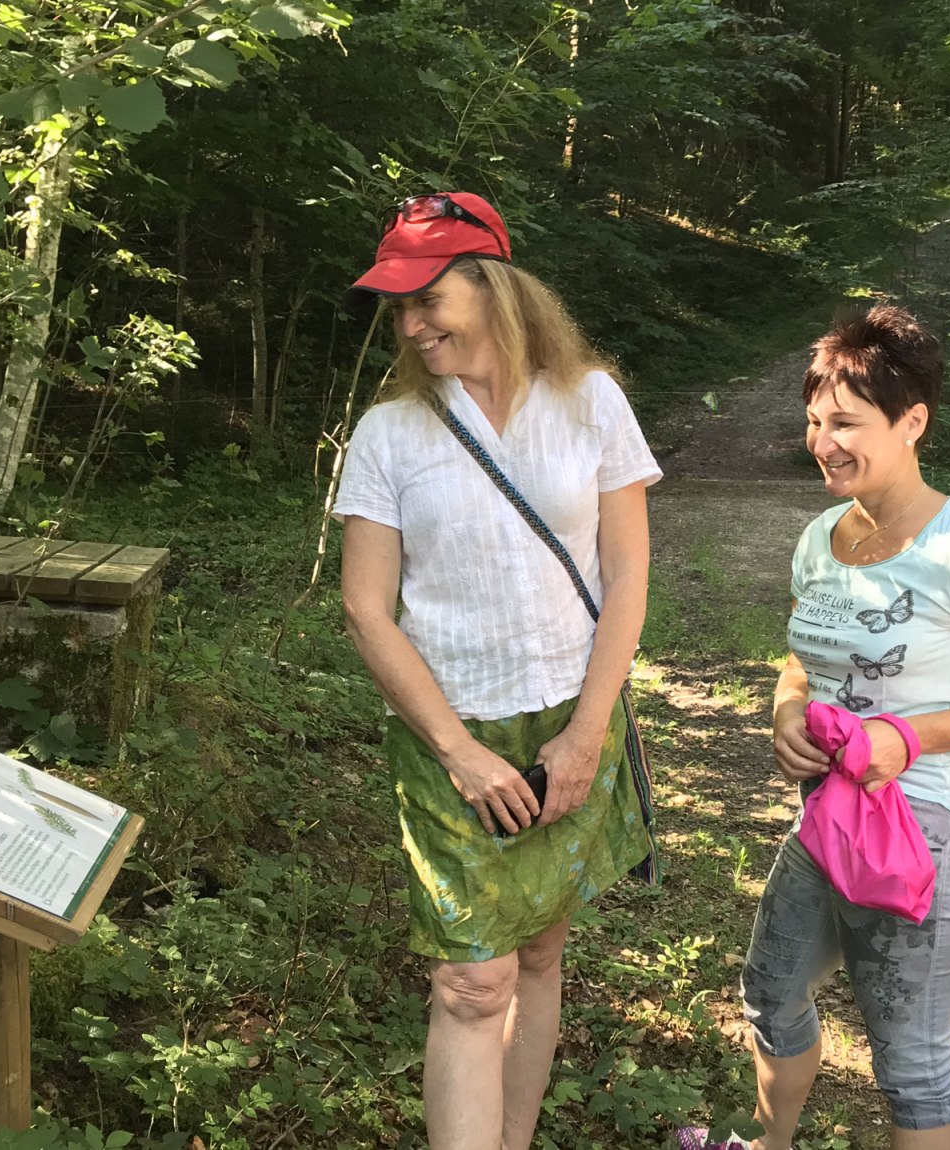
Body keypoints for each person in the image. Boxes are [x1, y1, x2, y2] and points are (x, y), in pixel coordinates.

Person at [334, 192, 659, 1150]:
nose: (410, 323)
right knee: (473, 981)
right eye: (398, 306)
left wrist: (588, 731)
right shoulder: (391, 434)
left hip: (573, 715)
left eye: (428, 296)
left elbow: (629, 567)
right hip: (451, 735)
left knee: (544, 951)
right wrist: (459, 752)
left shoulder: (590, 402)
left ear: (497, 286)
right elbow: (364, 606)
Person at [696, 305, 950, 1150]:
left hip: (927, 825)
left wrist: (909, 738)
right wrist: (787, 706)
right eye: (815, 420)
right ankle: (766, 1143)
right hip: (828, 817)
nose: (822, 441)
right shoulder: (823, 536)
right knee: (770, 989)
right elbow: (802, 661)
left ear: (913, 423)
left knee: (911, 1059)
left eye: (847, 424)